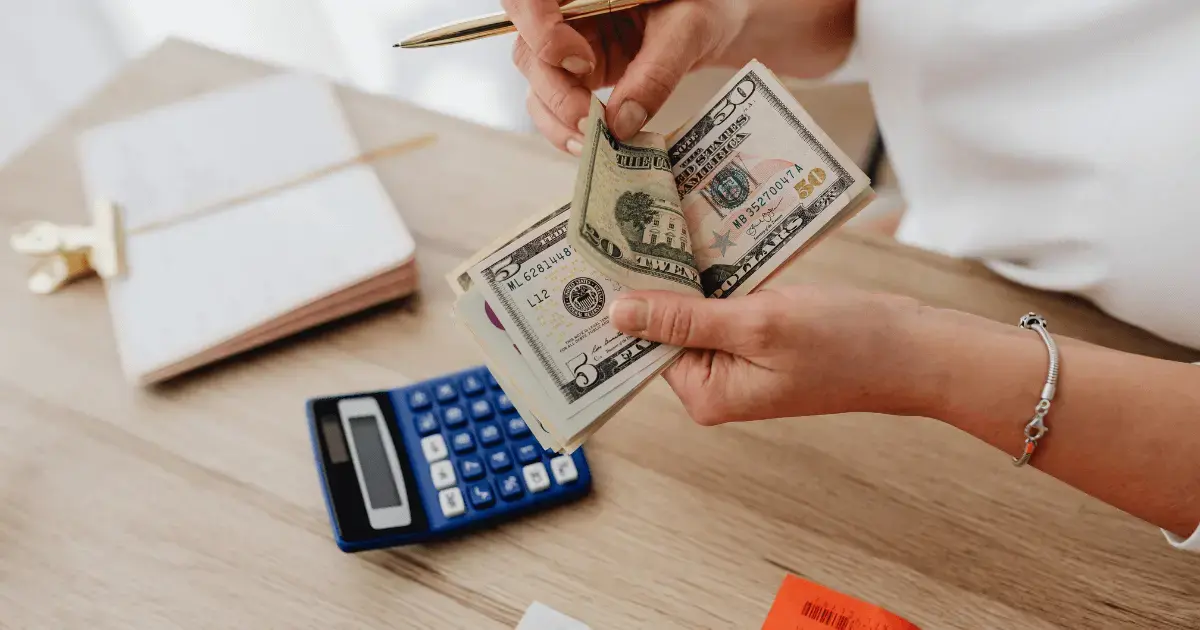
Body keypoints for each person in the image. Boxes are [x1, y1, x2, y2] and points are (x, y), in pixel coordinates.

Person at [499, 0, 1200, 550]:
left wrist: (917, 362)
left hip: (1116, 451)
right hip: (943, 270)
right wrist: (731, 12)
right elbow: (900, 18)